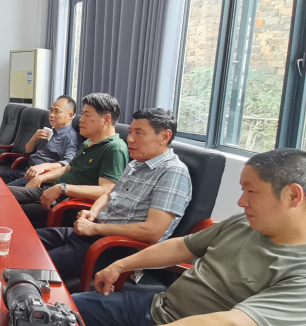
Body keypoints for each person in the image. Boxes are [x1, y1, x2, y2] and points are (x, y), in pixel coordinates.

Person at [73, 149, 306, 326]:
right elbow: (182, 246)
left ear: (293, 196)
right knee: (61, 311)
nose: (241, 201)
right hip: (158, 308)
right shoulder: (246, 224)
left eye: (251, 191)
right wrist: (120, 265)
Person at [36, 108, 191, 284]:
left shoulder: (173, 172)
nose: (130, 139)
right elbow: (110, 194)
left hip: (116, 249)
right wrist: (93, 213)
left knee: (35, 264)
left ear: (164, 136)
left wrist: (96, 228)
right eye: (131, 132)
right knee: (27, 243)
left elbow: (153, 231)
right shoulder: (136, 164)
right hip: (93, 233)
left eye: (139, 133)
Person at [9, 93, 129, 228]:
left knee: (10, 210)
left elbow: (106, 190)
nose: (81, 120)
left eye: (87, 115)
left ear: (106, 119)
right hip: (52, 192)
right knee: (2, 194)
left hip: (67, 206)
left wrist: (63, 188)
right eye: (82, 114)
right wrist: (42, 177)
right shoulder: (88, 142)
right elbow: (68, 168)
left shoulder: (114, 148)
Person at [0, 95, 80, 187]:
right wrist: (33, 139)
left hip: (39, 177)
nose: (51, 115)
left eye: (57, 111)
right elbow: (27, 152)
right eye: (51, 110)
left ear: (70, 115)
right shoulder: (50, 131)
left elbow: (69, 164)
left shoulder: (70, 138)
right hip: (26, 171)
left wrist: (43, 166)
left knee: (2, 190)